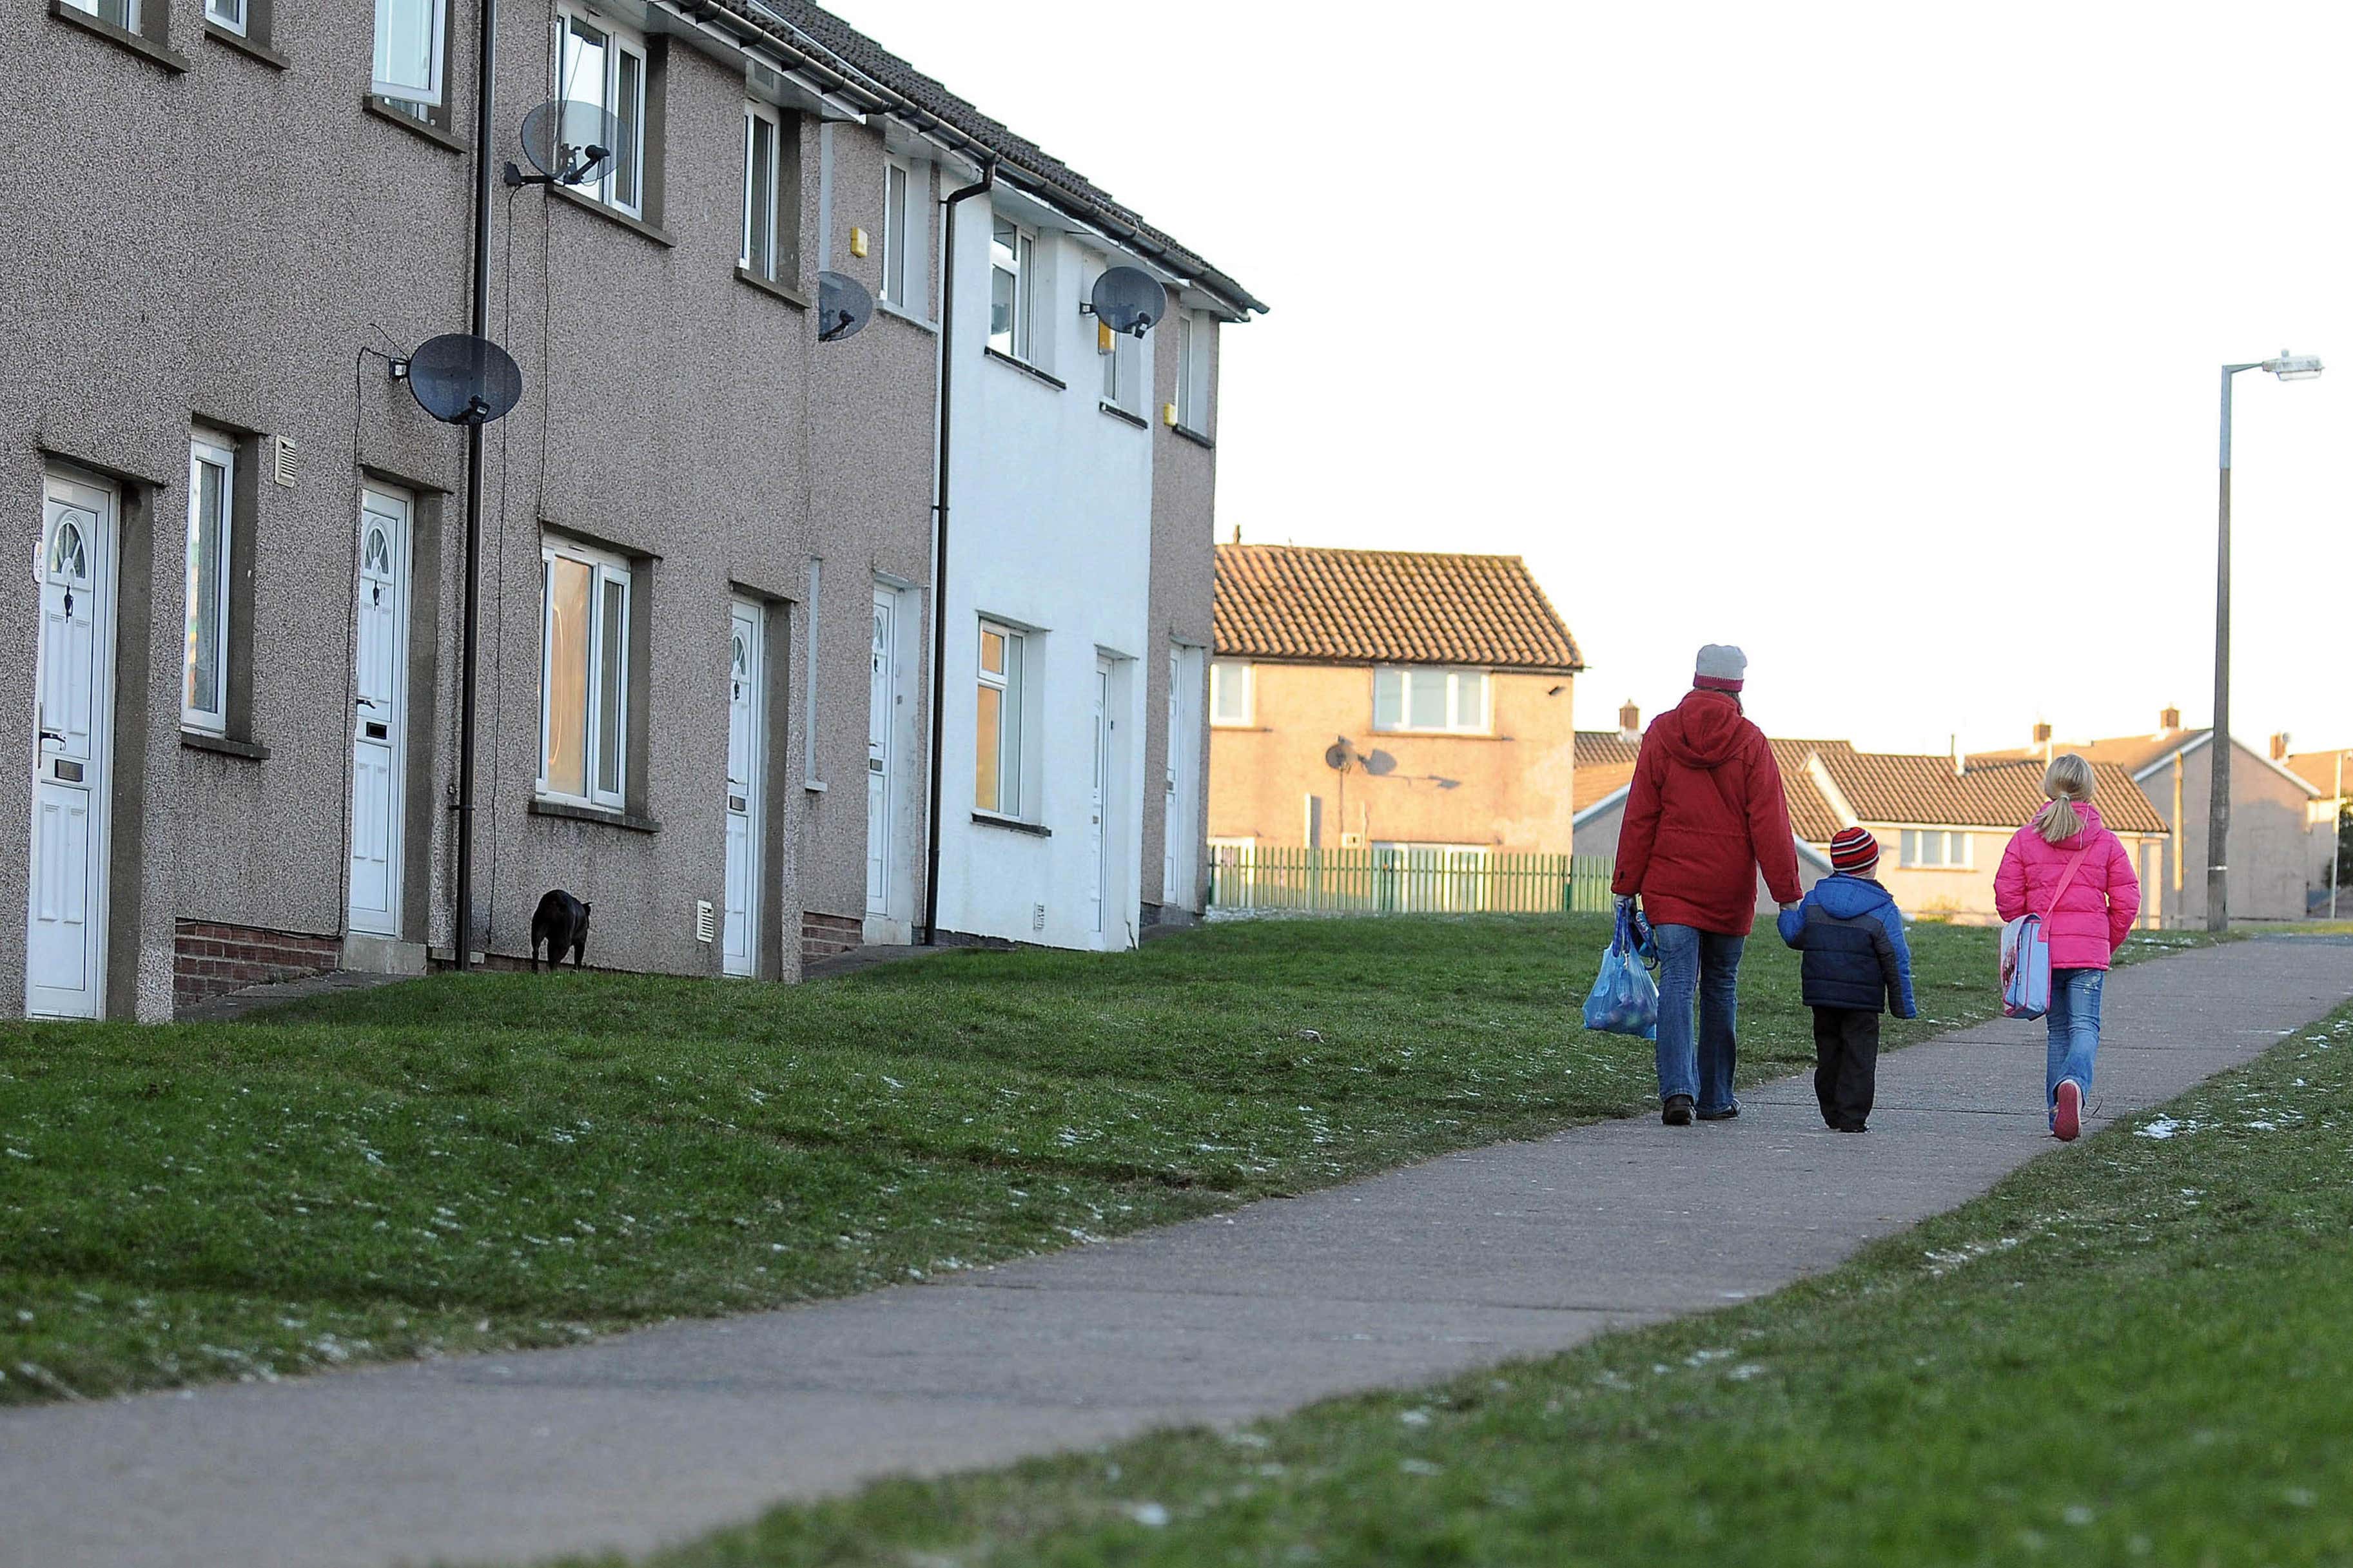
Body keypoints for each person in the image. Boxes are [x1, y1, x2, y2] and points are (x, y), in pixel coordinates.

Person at [1612, 644, 1804, 1127]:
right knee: (1720, 986)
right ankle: (1717, 1095)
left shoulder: (1661, 732)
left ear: (1697, 680)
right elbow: (1770, 823)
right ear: (1738, 687)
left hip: (1670, 886)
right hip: (1727, 887)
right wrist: (1787, 895)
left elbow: (1640, 815)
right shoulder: (1750, 741)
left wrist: (1625, 884)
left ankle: (1678, 1091)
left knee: (1677, 983)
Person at [1994, 753, 2142, 1142]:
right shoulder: (2107, 842)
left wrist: (2027, 931)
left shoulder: (2025, 839)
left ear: (2049, 787)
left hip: (2044, 956)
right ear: (2089, 789)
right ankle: (2073, 1083)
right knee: (2086, 1027)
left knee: (2058, 1031)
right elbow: (2127, 900)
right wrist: (2105, 941)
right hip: (2088, 954)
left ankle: (2056, 1111)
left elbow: (2007, 896)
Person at [1777, 826, 1917, 1132]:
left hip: (1822, 995)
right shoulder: (1882, 909)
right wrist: (1903, 1005)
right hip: (1862, 1002)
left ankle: (1831, 1112)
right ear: (1873, 864)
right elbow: (1895, 958)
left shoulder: (1814, 901)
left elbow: (1794, 935)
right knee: (1859, 1057)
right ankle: (1853, 1117)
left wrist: (1787, 911)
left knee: (1828, 1052)